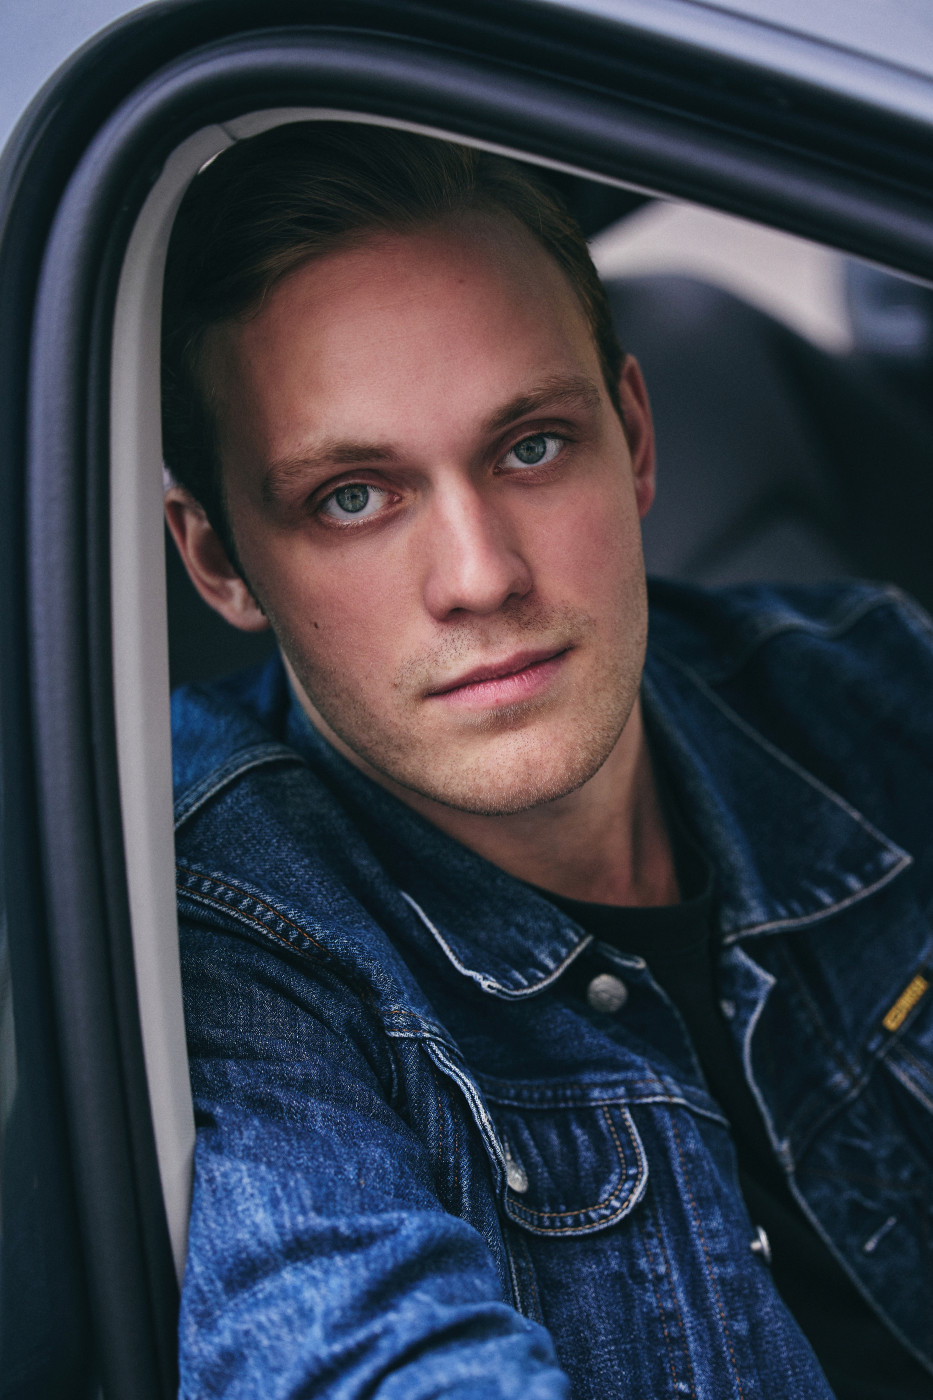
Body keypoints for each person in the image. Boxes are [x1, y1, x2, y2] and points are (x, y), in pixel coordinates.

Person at [162, 123, 933, 1400]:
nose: (481, 576)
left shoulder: (858, 684)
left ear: (634, 436)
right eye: (352, 496)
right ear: (218, 561)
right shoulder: (224, 926)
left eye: (530, 445)